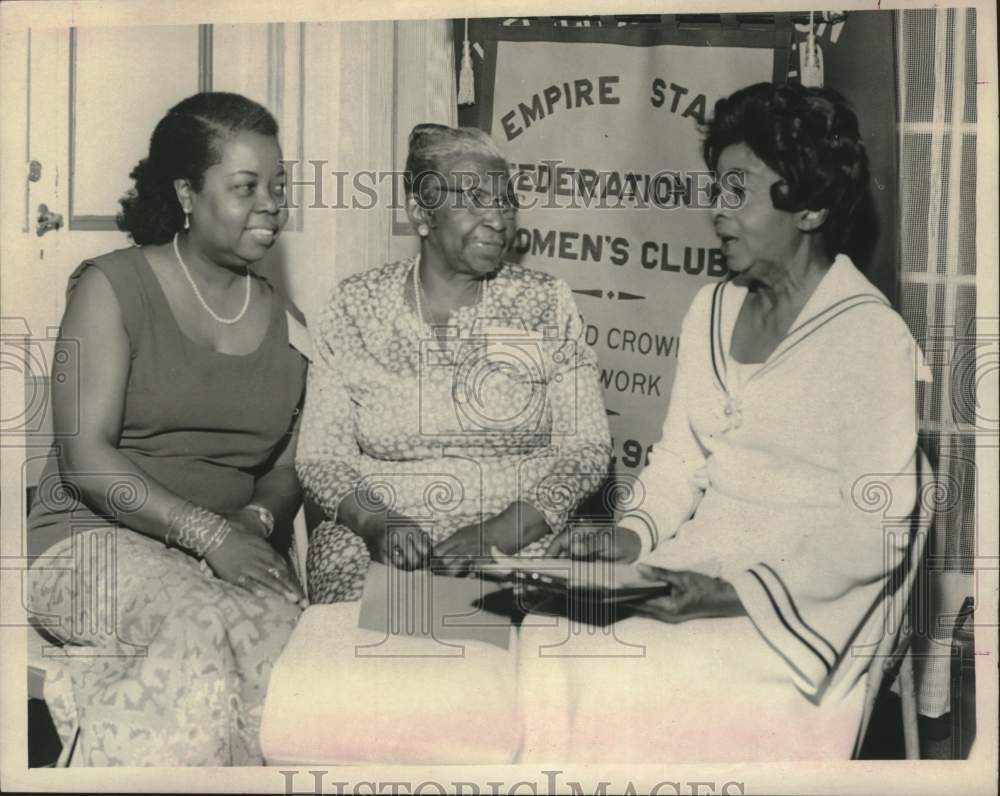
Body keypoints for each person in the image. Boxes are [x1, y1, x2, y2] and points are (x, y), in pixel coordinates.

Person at [523, 82, 927, 761]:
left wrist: (724, 593)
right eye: (716, 188)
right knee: (550, 627)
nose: (717, 211)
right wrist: (629, 537)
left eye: (738, 190)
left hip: (802, 600)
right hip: (699, 559)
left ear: (811, 206)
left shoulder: (871, 338)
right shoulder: (709, 309)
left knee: (641, 673)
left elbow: (876, 531)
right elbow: (679, 460)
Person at [26, 92, 308, 766]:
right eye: (246, 188)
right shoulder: (110, 286)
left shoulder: (288, 319)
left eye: (278, 186)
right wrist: (207, 534)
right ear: (187, 192)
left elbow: (290, 464)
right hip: (86, 542)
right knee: (200, 618)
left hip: (224, 554)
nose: (271, 203)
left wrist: (256, 522)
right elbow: (84, 457)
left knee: (284, 635)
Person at [296, 123, 611, 603]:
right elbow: (321, 457)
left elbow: (586, 448)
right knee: (384, 654)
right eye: (472, 202)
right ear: (421, 212)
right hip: (379, 544)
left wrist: (501, 533)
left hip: (522, 539)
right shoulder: (355, 305)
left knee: (502, 659)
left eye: (505, 203)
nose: (498, 221)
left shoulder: (544, 302)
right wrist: (378, 523)